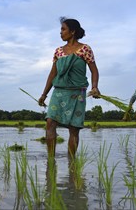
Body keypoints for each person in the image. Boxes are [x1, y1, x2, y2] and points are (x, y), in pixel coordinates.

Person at [38, 17, 101, 157]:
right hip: (59, 92)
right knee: (50, 122)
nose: (60, 33)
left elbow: (94, 70)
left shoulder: (85, 49)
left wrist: (95, 87)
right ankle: (51, 161)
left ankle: (72, 163)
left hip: (76, 93)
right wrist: (44, 94)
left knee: (73, 128)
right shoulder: (58, 51)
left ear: (72, 31)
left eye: (63, 29)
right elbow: (53, 73)